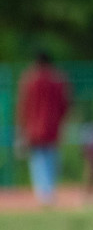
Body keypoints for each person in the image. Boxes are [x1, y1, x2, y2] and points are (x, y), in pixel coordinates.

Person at [15, 50, 71, 206]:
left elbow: (22, 106)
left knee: (38, 161)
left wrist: (21, 129)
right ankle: (49, 191)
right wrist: (63, 123)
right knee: (51, 159)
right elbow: (65, 105)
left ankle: (44, 193)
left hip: (33, 128)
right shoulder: (58, 79)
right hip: (53, 127)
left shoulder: (28, 79)